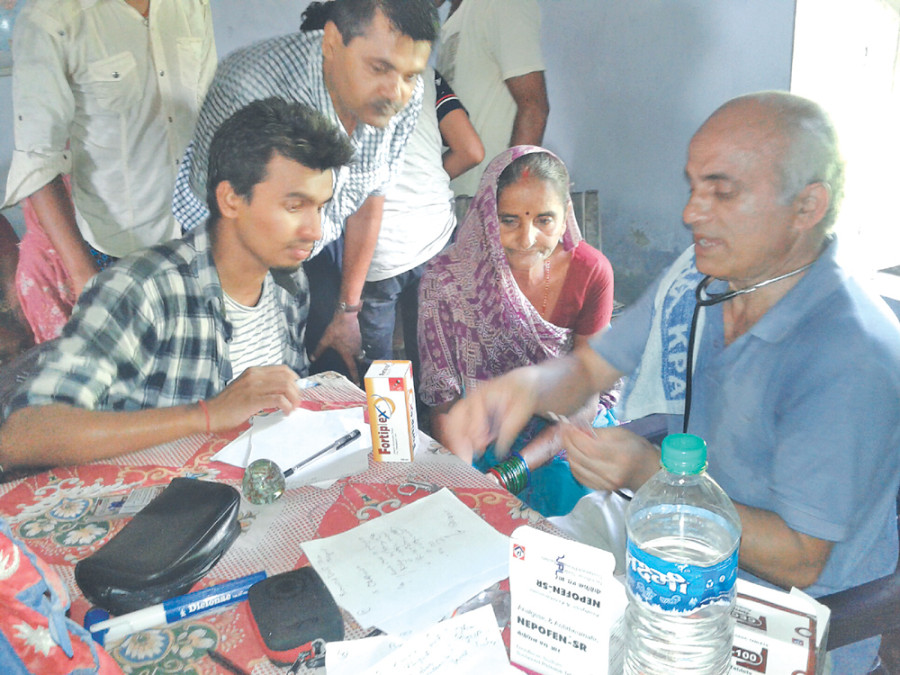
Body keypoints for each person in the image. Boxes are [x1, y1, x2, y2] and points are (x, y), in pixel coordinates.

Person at [443, 92, 900, 673]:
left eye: (722, 191)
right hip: (674, 537)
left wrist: (645, 473)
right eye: (693, 186)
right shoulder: (705, 274)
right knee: (497, 593)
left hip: (772, 611)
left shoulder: (848, 354)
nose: (690, 212)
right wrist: (524, 387)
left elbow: (801, 558)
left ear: (807, 206)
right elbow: (589, 369)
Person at [0, 98, 354, 470]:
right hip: (159, 506)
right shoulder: (141, 290)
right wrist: (206, 414)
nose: (315, 230)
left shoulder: (288, 281)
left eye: (320, 207)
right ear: (231, 200)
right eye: (295, 206)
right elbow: (23, 437)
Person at [173, 0, 438, 382]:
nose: (396, 92)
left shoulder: (405, 94)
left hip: (313, 239)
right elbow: (228, 222)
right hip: (231, 238)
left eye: (410, 75)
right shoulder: (250, 87)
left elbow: (371, 196)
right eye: (379, 68)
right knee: (238, 379)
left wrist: (347, 311)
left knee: (329, 364)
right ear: (332, 41)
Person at [2, 0, 216, 341]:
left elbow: (206, 116)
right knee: (139, 383)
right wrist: (84, 276)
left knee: (209, 373)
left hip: (202, 238)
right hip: (119, 255)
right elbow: (38, 160)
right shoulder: (50, 18)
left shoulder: (189, 5)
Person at [418, 146, 614, 516]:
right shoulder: (447, 280)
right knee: (458, 514)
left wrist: (512, 472)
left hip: (562, 423)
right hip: (478, 424)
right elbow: (443, 402)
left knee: (574, 500)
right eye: (509, 220)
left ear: (565, 216)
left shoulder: (591, 271)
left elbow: (586, 393)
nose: (526, 239)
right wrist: (468, 479)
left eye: (544, 220)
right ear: (487, 219)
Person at [359, 65, 483, 380]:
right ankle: (433, 425)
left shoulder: (343, 71)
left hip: (378, 247)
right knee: (437, 370)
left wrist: (345, 305)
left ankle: (394, 426)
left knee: (382, 384)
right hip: (437, 235)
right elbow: (471, 150)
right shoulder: (422, 69)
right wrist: (424, 182)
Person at [434, 0, 550, 197]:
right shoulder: (457, 17)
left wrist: (508, 199)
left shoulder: (501, 5)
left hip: (490, 206)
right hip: (461, 206)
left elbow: (534, 108)